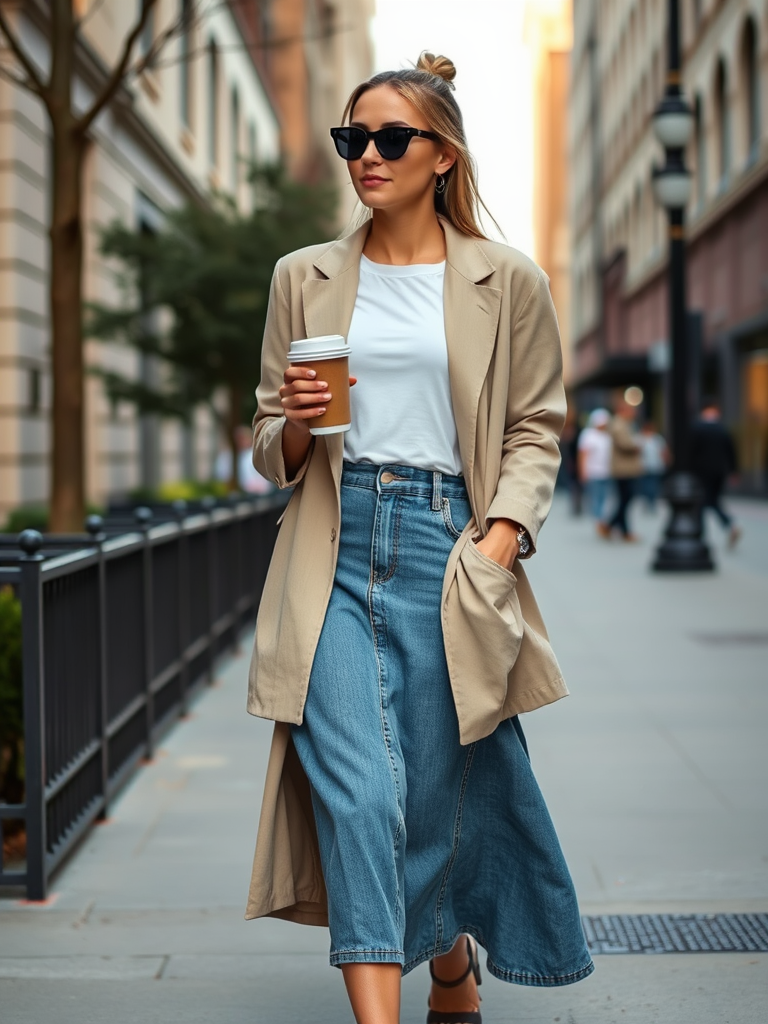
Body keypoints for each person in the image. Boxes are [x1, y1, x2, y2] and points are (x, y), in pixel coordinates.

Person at [244, 53, 594, 1024]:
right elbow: (270, 442)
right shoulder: (302, 277)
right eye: (352, 138)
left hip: (449, 543)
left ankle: (449, 965)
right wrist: (302, 422)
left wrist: (502, 534)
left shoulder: (506, 279)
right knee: (360, 794)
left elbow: (536, 423)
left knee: (435, 787)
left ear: (442, 154)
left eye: (390, 138)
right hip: (333, 546)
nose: (367, 155)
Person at [690, 400, 742, 547]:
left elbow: (690, 452)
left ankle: (700, 535)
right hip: (719, 472)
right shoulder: (722, 429)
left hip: (700, 472)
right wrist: (734, 471)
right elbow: (731, 451)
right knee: (712, 500)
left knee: (700, 502)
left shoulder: (696, 428)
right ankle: (730, 524)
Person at [603, 396, 643, 541]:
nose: (634, 413)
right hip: (623, 470)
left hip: (627, 469)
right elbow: (625, 444)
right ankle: (619, 529)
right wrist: (637, 445)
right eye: (631, 410)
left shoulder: (625, 424)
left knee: (625, 500)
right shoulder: (619, 424)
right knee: (625, 500)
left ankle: (612, 526)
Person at [577, 408, 612, 529]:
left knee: (604, 497)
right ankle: (598, 521)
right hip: (593, 471)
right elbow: (583, 454)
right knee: (596, 497)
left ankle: (601, 519)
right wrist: (582, 471)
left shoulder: (607, 435)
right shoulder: (588, 435)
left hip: (606, 471)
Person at [214, 425, 274, 494]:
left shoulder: (256, 455)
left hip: (255, 495)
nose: (241, 441)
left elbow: (265, 481)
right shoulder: (225, 457)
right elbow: (220, 478)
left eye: (243, 438)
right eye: (238, 438)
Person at [637, 421, 669, 510]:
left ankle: (652, 503)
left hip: (656, 466)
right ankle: (648, 502)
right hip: (643, 466)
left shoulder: (657, 439)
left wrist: (665, 461)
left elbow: (663, 452)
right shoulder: (640, 439)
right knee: (646, 486)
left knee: (653, 485)